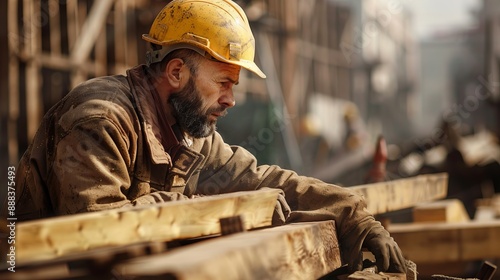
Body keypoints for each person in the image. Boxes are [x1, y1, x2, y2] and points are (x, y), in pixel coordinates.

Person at [7, 0, 406, 274]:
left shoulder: (187, 131)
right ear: (177, 73)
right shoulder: (101, 121)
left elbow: (264, 180)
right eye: (223, 83)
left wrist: (355, 218)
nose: (231, 99)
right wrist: (193, 205)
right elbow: (91, 237)